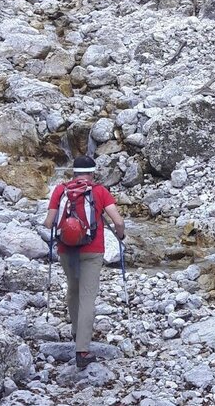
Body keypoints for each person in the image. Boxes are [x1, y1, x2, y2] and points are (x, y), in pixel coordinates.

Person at [43, 155, 126, 368]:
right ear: (92, 172)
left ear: (74, 172)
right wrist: (120, 235)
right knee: (88, 297)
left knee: (73, 290)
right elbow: (118, 220)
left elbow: (48, 222)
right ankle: (82, 349)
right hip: (92, 249)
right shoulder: (99, 191)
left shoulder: (60, 190)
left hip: (66, 249)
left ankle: (75, 332)